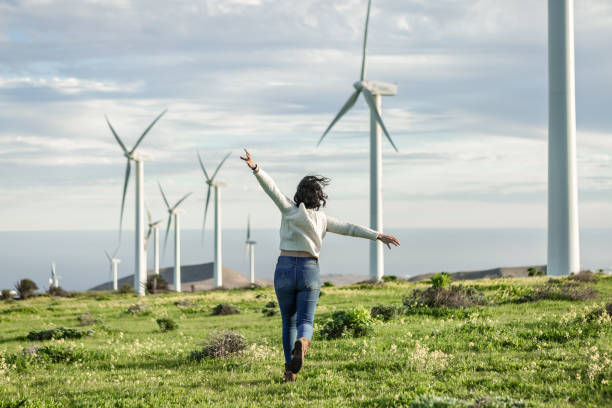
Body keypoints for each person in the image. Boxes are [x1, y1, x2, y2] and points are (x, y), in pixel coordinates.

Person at [240, 149, 400, 382]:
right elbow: (349, 227)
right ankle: (303, 343)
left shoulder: (288, 209)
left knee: (288, 322)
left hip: (284, 267)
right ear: (319, 197)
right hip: (308, 269)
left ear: (298, 195)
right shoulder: (323, 219)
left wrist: (256, 168)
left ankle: (289, 371)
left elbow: (271, 188)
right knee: (306, 322)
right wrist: (377, 235)